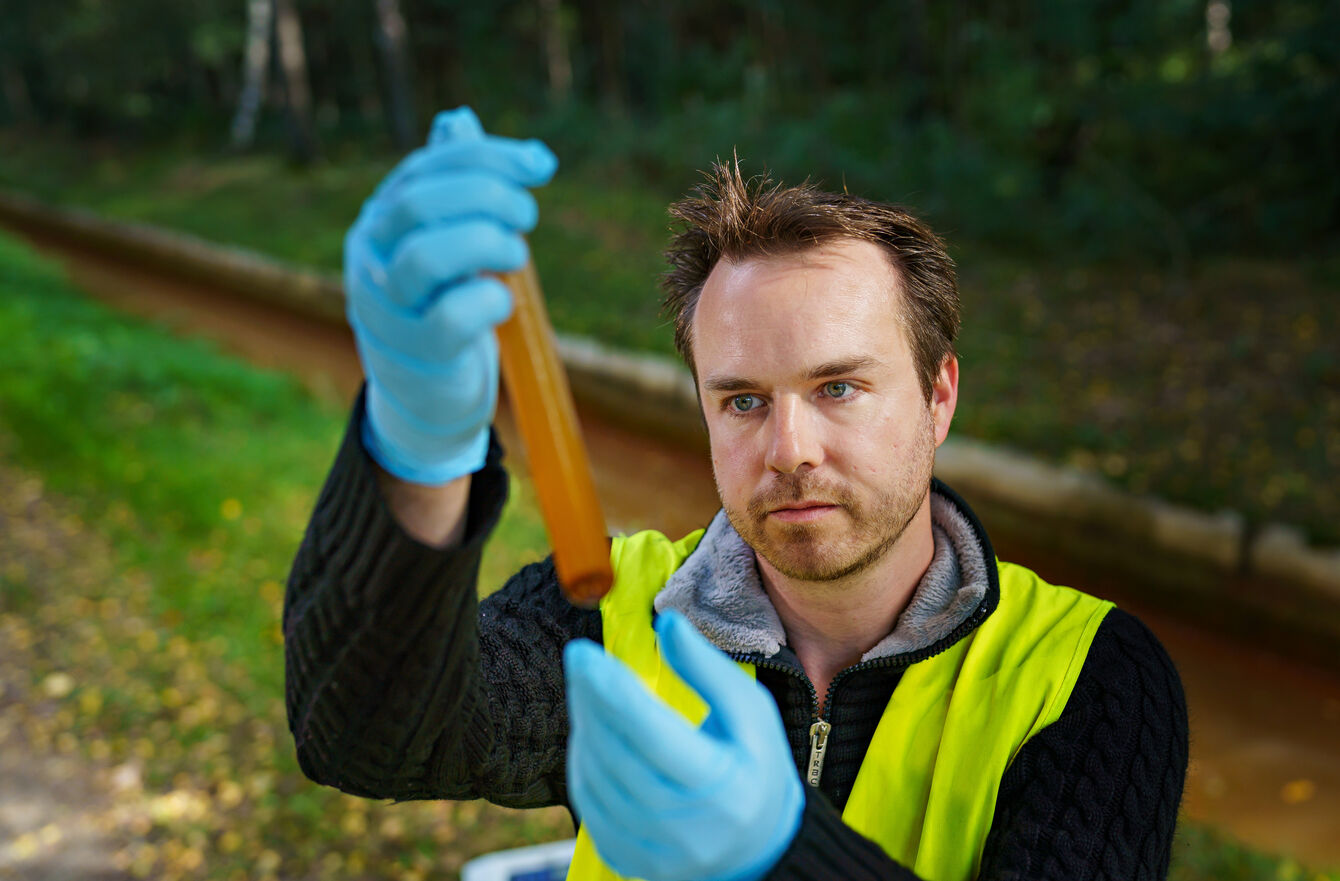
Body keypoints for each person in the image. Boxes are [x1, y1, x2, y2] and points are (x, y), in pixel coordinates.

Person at [284, 107, 1188, 881]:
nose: (789, 451)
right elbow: (367, 736)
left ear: (939, 395)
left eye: (838, 388)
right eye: (744, 400)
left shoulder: (1089, 680)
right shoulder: (617, 604)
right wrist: (416, 445)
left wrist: (780, 854)